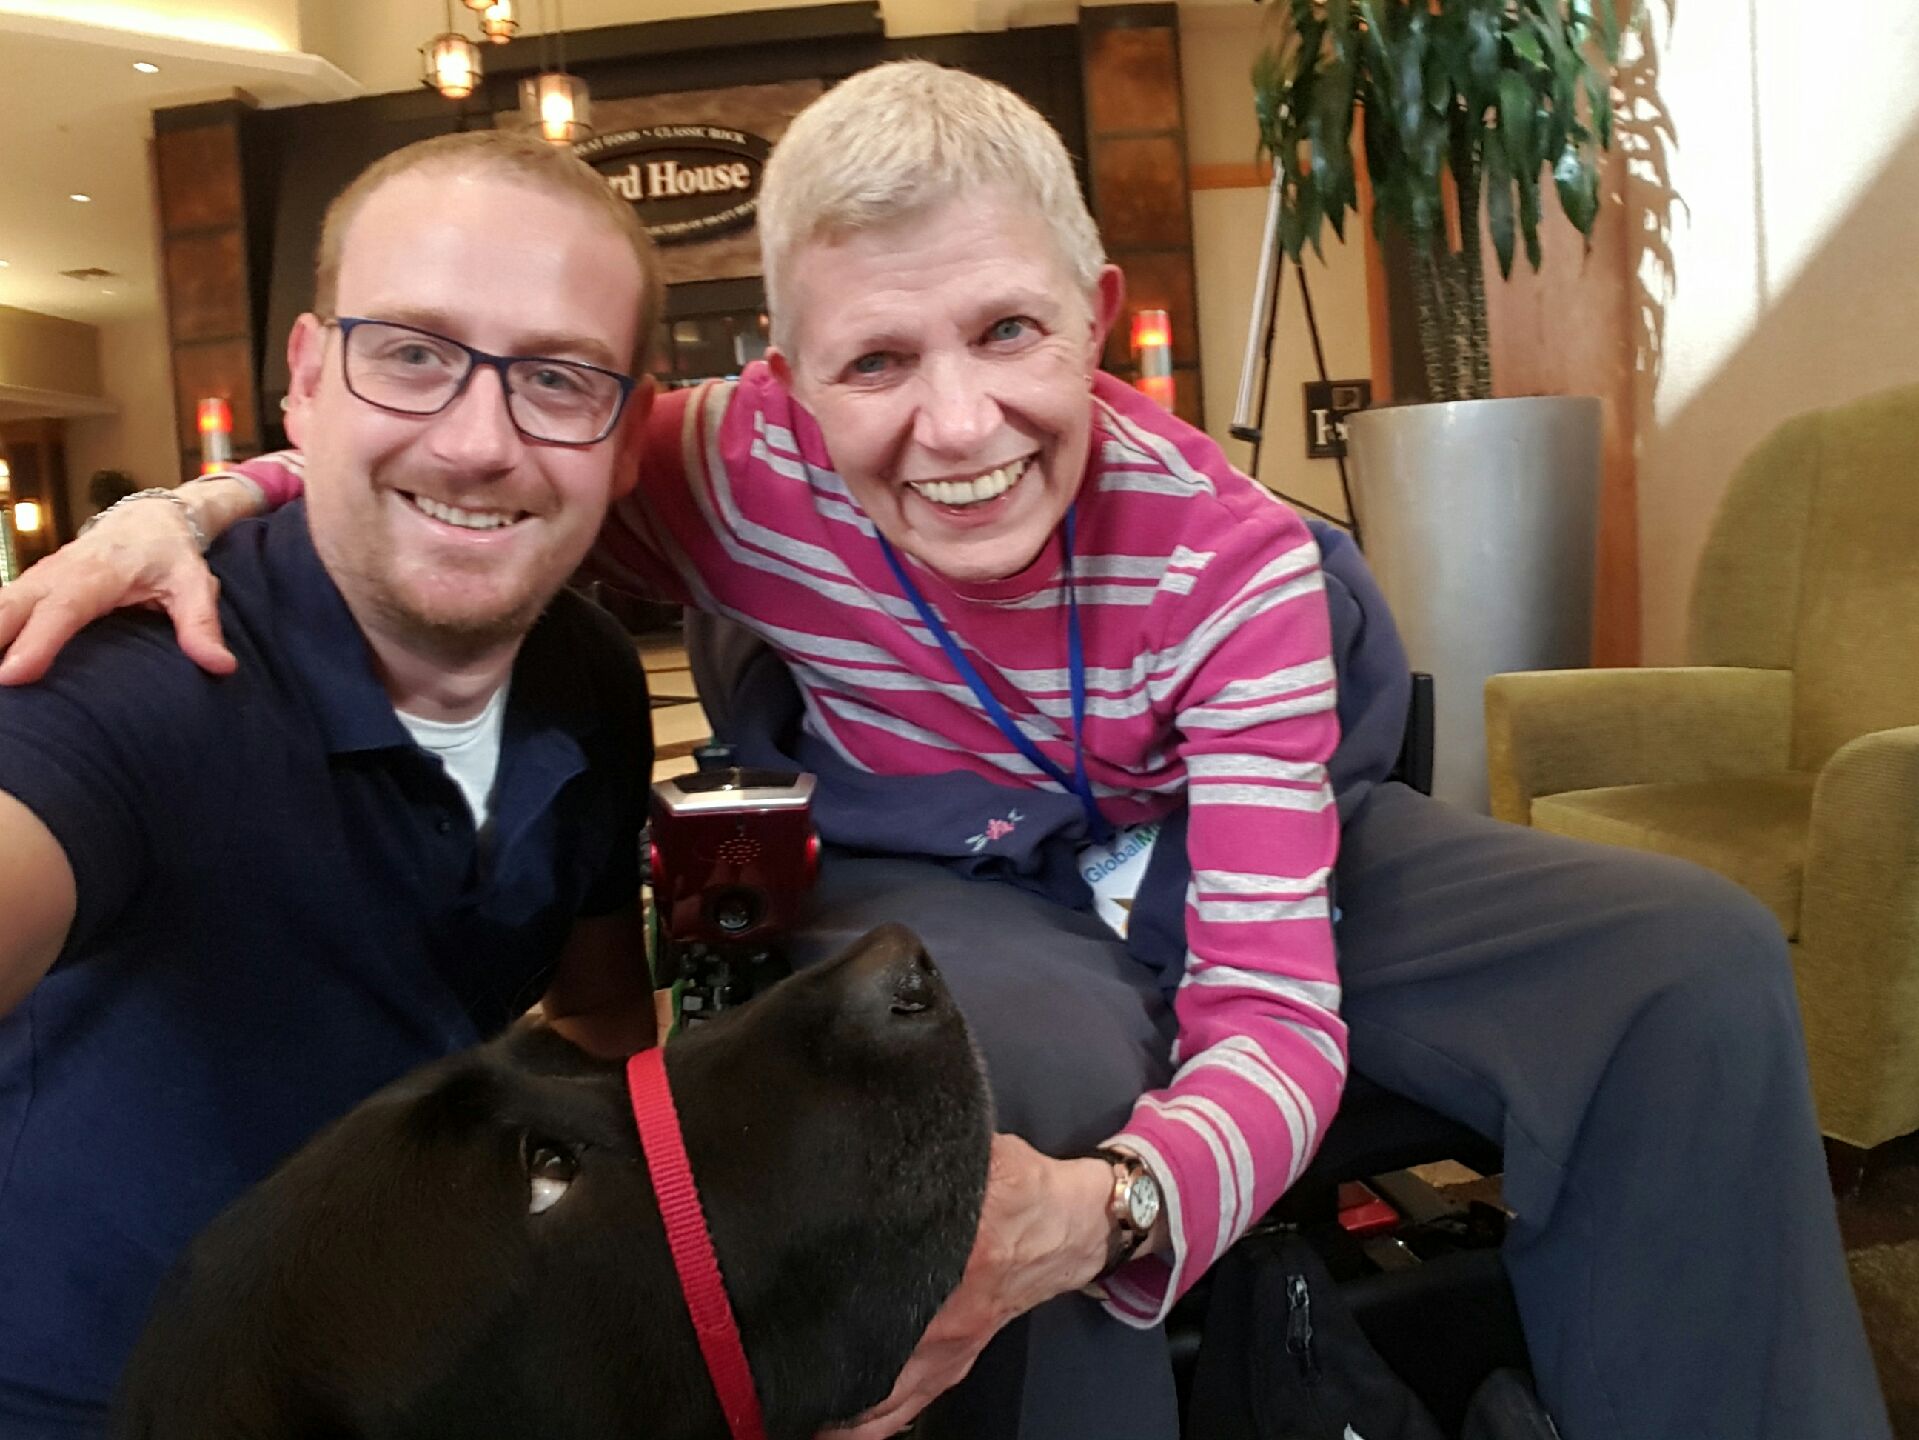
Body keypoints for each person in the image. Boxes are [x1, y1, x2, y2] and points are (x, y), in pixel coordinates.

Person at [0, 62, 1889, 1440]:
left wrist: (1123, 1214)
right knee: (996, 1087)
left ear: (1097, 325)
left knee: (1695, 955)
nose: (958, 423)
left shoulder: (1237, 568)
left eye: (1010, 333)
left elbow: (1272, 1007)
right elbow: (477, 455)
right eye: (878, 363)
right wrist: (201, 500)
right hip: (942, 871)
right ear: (787, 380)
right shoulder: (722, 464)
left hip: (1223, 846)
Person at [0, 130, 665, 1438]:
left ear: (628, 435)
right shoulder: (138, 675)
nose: (480, 441)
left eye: (559, 377)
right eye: (412, 354)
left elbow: (601, 1019)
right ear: (306, 383)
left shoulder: (587, 674)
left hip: (406, 1380)